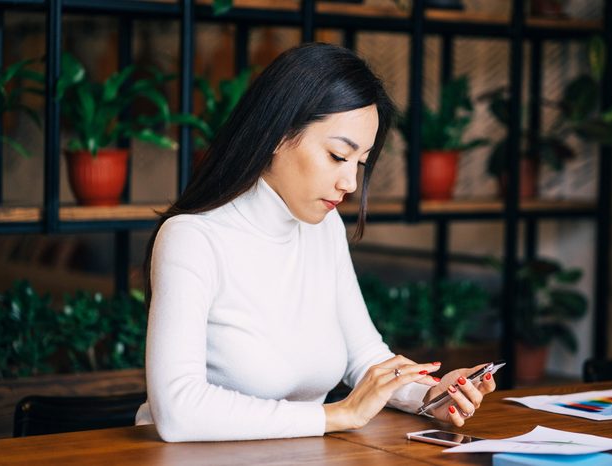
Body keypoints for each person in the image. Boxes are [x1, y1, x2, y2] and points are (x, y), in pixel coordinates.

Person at [135, 42, 496, 442]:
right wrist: (336, 416)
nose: (350, 183)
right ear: (276, 135)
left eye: (360, 163)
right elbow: (177, 410)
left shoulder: (323, 229)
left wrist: (429, 394)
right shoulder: (192, 238)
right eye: (338, 155)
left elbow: (365, 359)